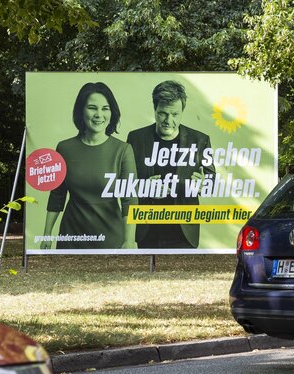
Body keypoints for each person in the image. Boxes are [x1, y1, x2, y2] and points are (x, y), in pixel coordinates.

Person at [41, 82, 137, 249]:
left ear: (112, 113)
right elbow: (57, 195)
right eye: (92, 108)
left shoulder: (123, 150)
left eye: (105, 108)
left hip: (111, 238)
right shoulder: (64, 148)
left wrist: (129, 241)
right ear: (81, 111)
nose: (99, 115)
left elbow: (130, 201)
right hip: (71, 237)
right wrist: (46, 235)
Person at [127, 80, 216, 248]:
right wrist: (146, 187)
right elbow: (125, 181)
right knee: (149, 275)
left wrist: (204, 185)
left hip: (184, 230)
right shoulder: (135, 138)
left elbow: (211, 180)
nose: (168, 120)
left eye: (175, 114)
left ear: (182, 111)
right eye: (163, 113)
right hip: (148, 227)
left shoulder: (200, 140)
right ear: (154, 110)